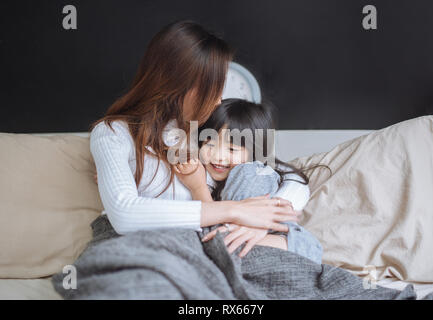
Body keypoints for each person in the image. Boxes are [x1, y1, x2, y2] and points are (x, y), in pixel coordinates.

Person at [90, 21, 301, 246]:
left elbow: (291, 176)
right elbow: (124, 215)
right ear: (180, 86)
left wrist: (262, 219)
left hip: (198, 243)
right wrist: (234, 211)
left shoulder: (202, 130)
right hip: (142, 244)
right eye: (214, 88)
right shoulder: (113, 133)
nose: (219, 99)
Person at [173, 99, 323, 262]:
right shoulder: (195, 169)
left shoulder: (252, 174)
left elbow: (215, 234)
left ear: (255, 152)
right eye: (209, 145)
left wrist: (198, 188)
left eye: (231, 149)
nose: (218, 156)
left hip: (288, 245)